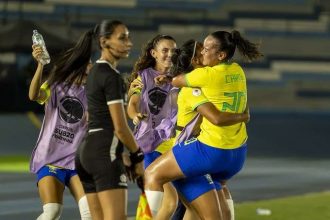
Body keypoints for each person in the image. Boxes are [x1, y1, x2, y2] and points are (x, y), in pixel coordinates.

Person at [144, 30, 263, 220]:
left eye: (206, 49)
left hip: (207, 150)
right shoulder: (237, 70)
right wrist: (243, 116)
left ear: (220, 55)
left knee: (153, 175)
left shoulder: (199, 82)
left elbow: (214, 116)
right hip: (237, 151)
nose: (204, 53)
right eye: (201, 51)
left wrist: (170, 79)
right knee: (198, 208)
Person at [75, 20, 144, 220]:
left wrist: (120, 154)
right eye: (122, 38)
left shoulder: (94, 71)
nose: (129, 43)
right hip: (104, 153)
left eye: (129, 37)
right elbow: (120, 128)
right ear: (104, 41)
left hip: (85, 153)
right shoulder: (112, 76)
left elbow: (92, 118)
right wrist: (137, 157)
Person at [28, 30, 93, 220]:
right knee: (52, 213)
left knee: (90, 213)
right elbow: (33, 96)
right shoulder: (56, 86)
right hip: (50, 159)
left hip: (76, 162)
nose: (91, 66)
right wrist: (40, 65)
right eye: (88, 63)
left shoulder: (91, 94)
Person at [127, 34, 179, 220]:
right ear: (154, 53)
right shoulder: (143, 77)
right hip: (149, 145)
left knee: (173, 203)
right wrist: (135, 116)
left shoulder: (180, 79)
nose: (170, 54)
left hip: (172, 146)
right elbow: (132, 104)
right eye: (165, 50)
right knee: (168, 201)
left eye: (173, 50)